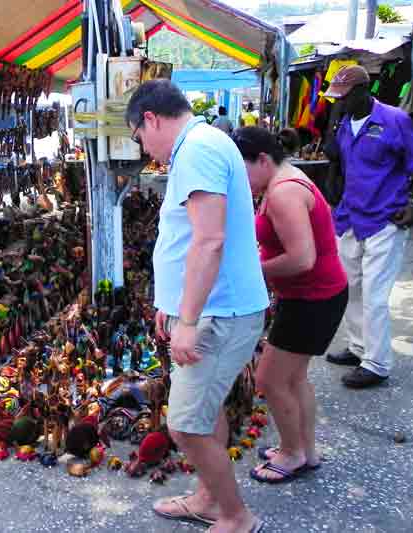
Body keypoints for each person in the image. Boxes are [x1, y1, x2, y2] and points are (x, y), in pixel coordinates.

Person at [127, 80, 268, 533]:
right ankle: (210, 499)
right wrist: (172, 304)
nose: (144, 148)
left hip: (219, 314)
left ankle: (236, 516)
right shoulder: (203, 144)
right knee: (204, 414)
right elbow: (193, 238)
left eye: (139, 136)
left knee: (186, 426)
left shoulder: (198, 149)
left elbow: (209, 241)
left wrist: (187, 320)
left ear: (151, 119)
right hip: (216, 308)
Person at [232, 127, 348, 483]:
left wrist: (252, 271)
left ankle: (292, 452)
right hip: (314, 296)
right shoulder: (284, 180)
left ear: (263, 160)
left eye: (242, 169)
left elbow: (302, 258)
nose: (239, 179)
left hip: (311, 299)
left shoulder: (283, 193)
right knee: (295, 378)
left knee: (270, 378)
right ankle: (305, 449)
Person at [324, 65, 413, 388]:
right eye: (335, 98)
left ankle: (377, 363)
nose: (337, 103)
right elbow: (340, 165)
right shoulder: (344, 124)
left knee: (374, 294)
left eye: (342, 97)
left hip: (385, 219)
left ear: (363, 91)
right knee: (351, 288)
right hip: (350, 218)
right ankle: (359, 347)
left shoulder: (395, 120)